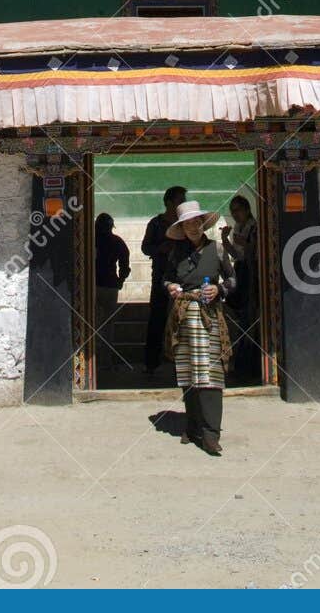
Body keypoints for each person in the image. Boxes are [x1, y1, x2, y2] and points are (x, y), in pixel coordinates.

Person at [164, 201, 235, 455]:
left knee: (210, 374)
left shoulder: (216, 250)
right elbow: (167, 278)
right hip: (183, 318)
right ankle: (192, 427)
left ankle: (211, 433)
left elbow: (233, 279)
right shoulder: (176, 254)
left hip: (209, 317)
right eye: (187, 224)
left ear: (203, 224)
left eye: (196, 222)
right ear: (181, 227)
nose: (192, 227)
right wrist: (171, 287)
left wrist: (219, 289)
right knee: (187, 374)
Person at [141, 184, 187, 375]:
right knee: (157, 318)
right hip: (160, 275)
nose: (182, 203)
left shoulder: (186, 223)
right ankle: (151, 363)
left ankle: (185, 361)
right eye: (180, 200)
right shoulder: (156, 223)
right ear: (169, 202)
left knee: (185, 318)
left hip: (184, 277)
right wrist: (160, 248)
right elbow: (145, 248)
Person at [221, 194, 261, 384]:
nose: (235, 214)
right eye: (232, 212)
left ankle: (249, 364)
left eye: (237, 210)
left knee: (249, 319)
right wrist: (225, 239)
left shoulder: (254, 228)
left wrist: (245, 244)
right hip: (241, 273)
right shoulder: (239, 228)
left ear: (246, 209)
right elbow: (237, 255)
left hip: (251, 275)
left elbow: (256, 252)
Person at [94, 212, 131, 369]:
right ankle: (105, 361)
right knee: (108, 325)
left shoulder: (90, 240)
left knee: (92, 323)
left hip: (92, 286)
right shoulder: (117, 242)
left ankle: (93, 359)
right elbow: (124, 265)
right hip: (110, 286)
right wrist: (120, 281)